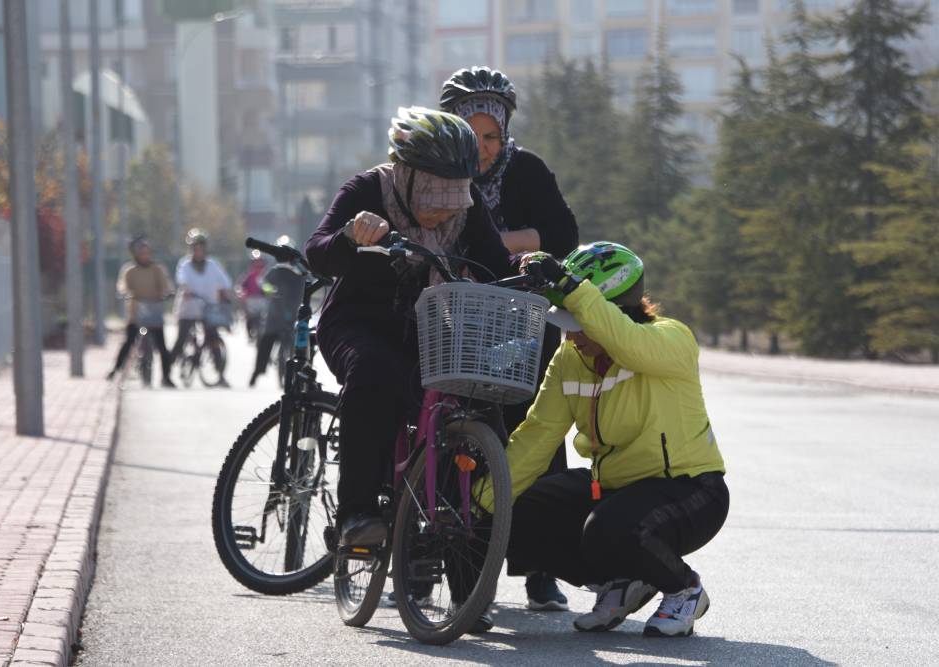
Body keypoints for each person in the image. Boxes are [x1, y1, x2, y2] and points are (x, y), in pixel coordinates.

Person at [476, 242, 729, 638]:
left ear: (612, 313)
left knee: (608, 528)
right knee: (518, 510)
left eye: (579, 324)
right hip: (615, 490)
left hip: (691, 491)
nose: (571, 336)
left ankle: (684, 590)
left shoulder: (671, 338)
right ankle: (622, 582)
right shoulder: (569, 359)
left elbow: (628, 343)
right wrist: (483, 502)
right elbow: (537, 437)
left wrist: (574, 290)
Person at [305, 106, 513, 550]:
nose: (443, 209)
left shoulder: (467, 209)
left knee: (480, 399)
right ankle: (357, 514)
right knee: (374, 373)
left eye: (453, 196)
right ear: (406, 174)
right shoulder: (368, 190)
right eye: (434, 196)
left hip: (431, 332)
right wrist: (350, 235)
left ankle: (470, 551)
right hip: (357, 324)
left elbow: (497, 264)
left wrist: (531, 266)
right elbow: (317, 252)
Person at [441, 65, 580, 611]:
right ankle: (446, 562)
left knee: (537, 440)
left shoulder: (528, 170)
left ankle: (541, 569)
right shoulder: (436, 171)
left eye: (491, 135)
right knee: (451, 437)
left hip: (523, 321)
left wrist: (497, 242)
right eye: (470, 134)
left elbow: (563, 235)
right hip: (453, 320)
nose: (482, 147)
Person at [107, 235, 176, 387]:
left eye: (147, 252)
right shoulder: (129, 270)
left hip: (154, 313)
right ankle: (115, 370)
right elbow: (122, 286)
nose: (145, 256)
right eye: (142, 253)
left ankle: (166, 377)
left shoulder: (157, 269)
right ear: (136, 254)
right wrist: (126, 293)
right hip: (136, 314)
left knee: (162, 347)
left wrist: (167, 292)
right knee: (128, 342)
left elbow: (166, 285)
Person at [170, 229, 234, 387]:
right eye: (195, 248)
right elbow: (182, 280)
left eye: (201, 247)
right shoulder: (185, 264)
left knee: (213, 338)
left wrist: (226, 293)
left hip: (207, 308)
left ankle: (220, 374)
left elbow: (225, 282)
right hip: (188, 308)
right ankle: (167, 371)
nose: (198, 251)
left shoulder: (213, 265)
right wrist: (186, 290)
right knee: (181, 338)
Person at [249, 237, 305, 388]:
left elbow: (307, 284)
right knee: (266, 341)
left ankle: (299, 372)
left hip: (293, 313)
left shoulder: (299, 271)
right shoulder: (275, 270)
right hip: (275, 314)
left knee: (297, 344)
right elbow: (263, 282)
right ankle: (257, 372)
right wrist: (270, 291)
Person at [238, 250, 268, 340]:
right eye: (256, 265)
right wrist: (243, 295)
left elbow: (270, 289)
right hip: (251, 300)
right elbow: (241, 287)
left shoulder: (266, 276)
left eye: (261, 265)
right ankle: (249, 332)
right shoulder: (249, 276)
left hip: (263, 300)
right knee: (249, 316)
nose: (258, 268)